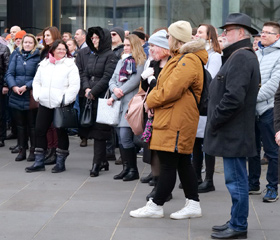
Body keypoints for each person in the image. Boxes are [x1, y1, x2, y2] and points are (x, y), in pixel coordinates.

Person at [130, 20, 207, 219]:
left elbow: (170, 91)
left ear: (176, 39)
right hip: (174, 117)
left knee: (168, 164)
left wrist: (149, 101)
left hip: (176, 119)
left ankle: (156, 204)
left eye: (169, 36)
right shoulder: (182, 58)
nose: (167, 39)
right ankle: (193, 203)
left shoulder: (187, 60)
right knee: (181, 162)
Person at [202, 13, 260, 239]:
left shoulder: (242, 57)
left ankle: (238, 226)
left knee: (236, 182)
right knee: (235, 181)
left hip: (234, 132)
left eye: (228, 30)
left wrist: (215, 119)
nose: (223, 34)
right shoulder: (237, 56)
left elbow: (234, 98)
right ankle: (236, 220)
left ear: (241, 33)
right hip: (232, 131)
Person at [25, 40, 80, 173]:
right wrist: (38, 96)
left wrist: (65, 100)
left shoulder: (70, 65)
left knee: (60, 132)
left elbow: (74, 86)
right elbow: (37, 81)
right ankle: (39, 162)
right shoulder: (44, 64)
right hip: (44, 103)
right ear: (53, 50)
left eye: (64, 49)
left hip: (60, 104)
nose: (62, 51)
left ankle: (60, 162)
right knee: (39, 131)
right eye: (59, 49)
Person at [248, 21, 280, 202]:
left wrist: (248, 99)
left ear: (277, 37)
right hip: (252, 111)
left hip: (269, 110)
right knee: (252, 150)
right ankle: (253, 184)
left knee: (272, 152)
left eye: (268, 32)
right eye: (263, 32)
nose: (263, 35)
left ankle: (272, 187)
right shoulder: (256, 54)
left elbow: (274, 87)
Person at [107, 34, 146, 181]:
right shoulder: (121, 61)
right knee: (121, 139)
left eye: (129, 45)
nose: (126, 48)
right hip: (117, 104)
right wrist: (114, 90)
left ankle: (133, 170)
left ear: (135, 46)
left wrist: (116, 94)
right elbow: (112, 79)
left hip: (130, 104)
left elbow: (134, 82)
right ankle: (126, 168)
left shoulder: (140, 61)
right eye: (125, 45)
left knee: (125, 137)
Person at [81, 26, 118, 177]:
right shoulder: (92, 55)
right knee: (93, 131)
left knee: (100, 132)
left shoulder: (110, 56)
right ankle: (102, 161)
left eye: (96, 37)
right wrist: (86, 89)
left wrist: (93, 92)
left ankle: (97, 163)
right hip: (90, 96)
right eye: (92, 38)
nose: (94, 40)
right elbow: (85, 74)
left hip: (102, 97)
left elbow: (107, 77)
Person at [139, 29, 171, 201]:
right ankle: (157, 182)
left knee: (162, 152)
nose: (150, 49)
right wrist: (145, 80)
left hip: (164, 113)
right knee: (151, 150)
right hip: (151, 113)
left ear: (164, 47)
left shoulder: (172, 64)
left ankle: (164, 189)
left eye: (153, 46)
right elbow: (146, 88)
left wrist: (151, 81)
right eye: (149, 45)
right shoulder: (152, 64)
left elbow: (164, 90)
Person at [193, 24, 222, 193]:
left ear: (209, 37)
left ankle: (209, 179)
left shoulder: (215, 56)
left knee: (206, 143)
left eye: (200, 32)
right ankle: (196, 176)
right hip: (197, 103)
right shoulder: (198, 54)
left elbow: (209, 80)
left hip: (207, 103)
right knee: (195, 142)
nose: (196, 35)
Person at [6, 34, 40, 162]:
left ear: (34, 44)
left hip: (30, 95)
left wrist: (26, 86)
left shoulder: (38, 56)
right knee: (20, 125)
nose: (27, 44)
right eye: (25, 42)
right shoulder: (16, 54)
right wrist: (13, 86)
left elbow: (38, 76)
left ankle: (33, 150)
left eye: (30, 42)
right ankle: (21, 149)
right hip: (16, 95)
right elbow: (9, 73)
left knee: (32, 125)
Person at [40, 26, 61, 165]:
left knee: (54, 124)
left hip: (56, 92)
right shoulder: (43, 52)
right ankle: (49, 149)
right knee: (45, 124)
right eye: (44, 35)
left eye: (48, 35)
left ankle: (55, 151)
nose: (45, 38)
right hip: (44, 91)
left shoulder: (58, 51)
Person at [0, 42, 10, 147]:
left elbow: (8, 68)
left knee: (1, 112)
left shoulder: (4, 48)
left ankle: (1, 137)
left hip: (0, 82)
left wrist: (6, 84)